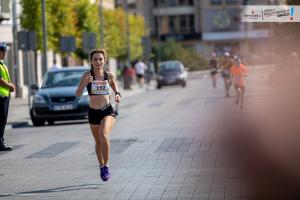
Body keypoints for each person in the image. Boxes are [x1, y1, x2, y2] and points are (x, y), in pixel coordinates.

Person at [76, 48, 121, 181]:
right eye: (95, 59)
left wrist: (117, 94)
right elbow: (78, 94)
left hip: (107, 110)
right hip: (93, 111)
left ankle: (106, 165)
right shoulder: (87, 75)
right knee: (98, 142)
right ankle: (101, 165)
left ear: (104, 60)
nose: (98, 61)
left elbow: (114, 86)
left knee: (104, 134)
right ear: (91, 61)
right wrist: (85, 83)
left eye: (100, 59)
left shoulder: (109, 75)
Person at [0, 42, 15, 151]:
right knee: (1, 120)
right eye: (3, 51)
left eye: (5, 51)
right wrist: (10, 85)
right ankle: (0, 143)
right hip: (0, 97)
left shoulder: (3, 64)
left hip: (4, 96)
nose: (5, 53)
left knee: (2, 120)